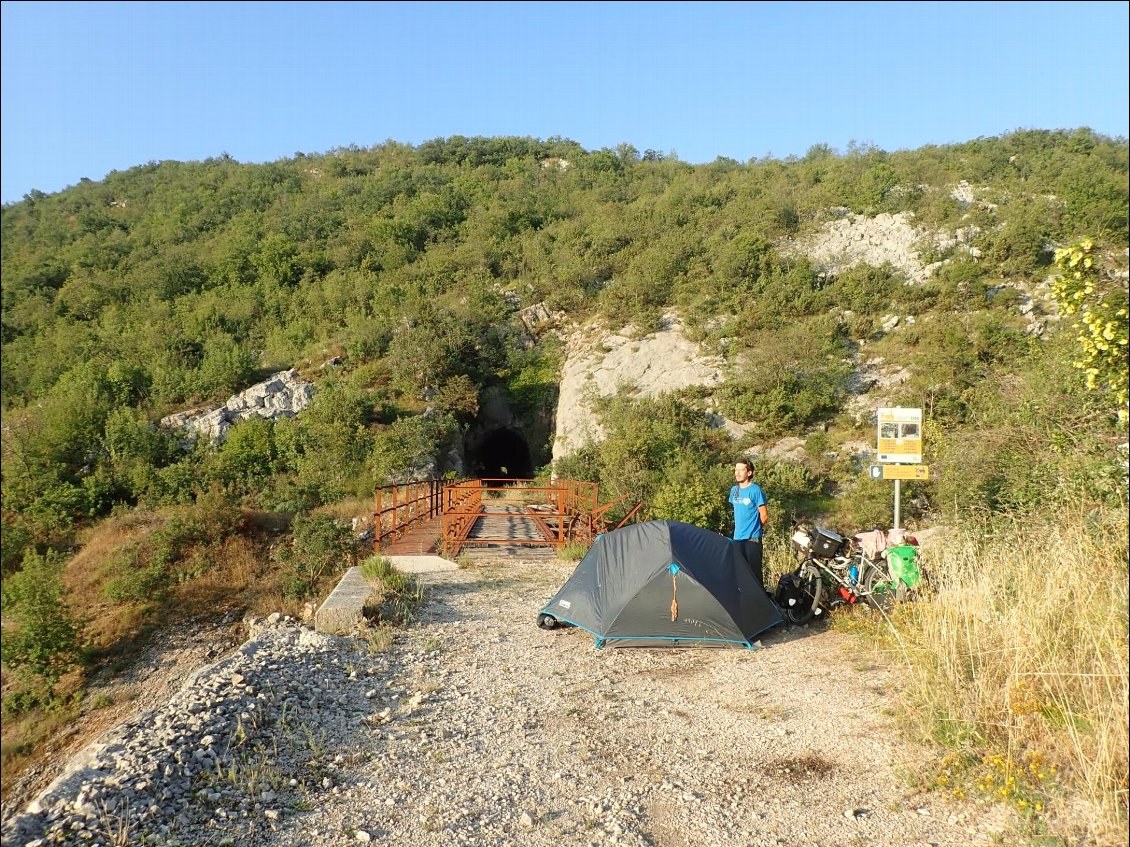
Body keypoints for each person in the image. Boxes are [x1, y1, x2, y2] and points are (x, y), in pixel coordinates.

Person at [729, 458, 768, 587]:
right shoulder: (734, 490)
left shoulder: (756, 490)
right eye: (736, 469)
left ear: (749, 472)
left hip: (752, 539)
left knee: (754, 575)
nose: (737, 473)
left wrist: (755, 529)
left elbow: (764, 515)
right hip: (737, 538)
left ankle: (760, 604)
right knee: (739, 573)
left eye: (741, 470)